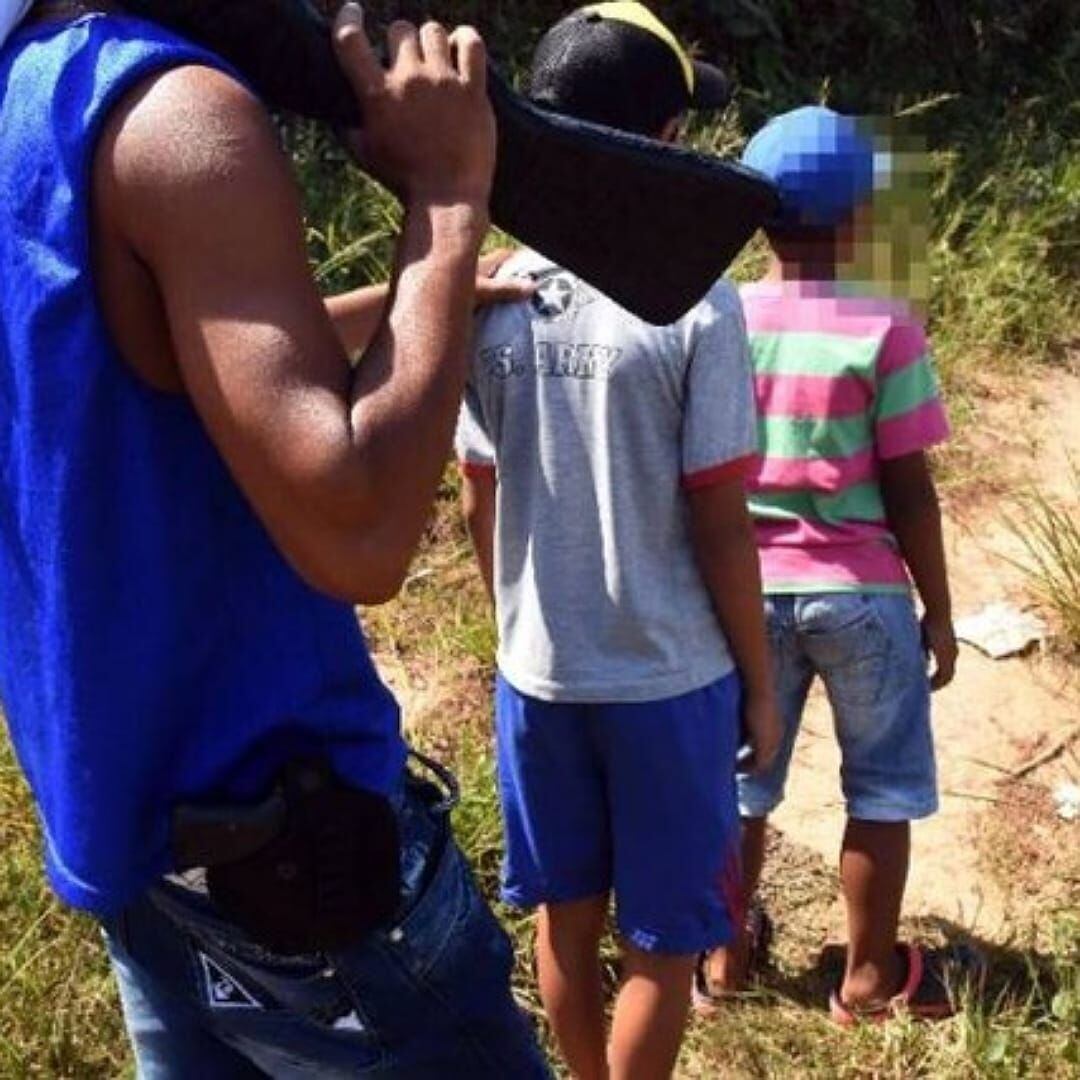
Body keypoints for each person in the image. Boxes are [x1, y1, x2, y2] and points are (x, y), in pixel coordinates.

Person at [0, 1, 552, 1075]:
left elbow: (145, 370)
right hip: (309, 887)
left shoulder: (30, 105)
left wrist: (411, 304)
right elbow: (361, 536)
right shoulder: (178, 121)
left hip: (144, 859)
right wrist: (445, 198)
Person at [456, 5, 782, 1077]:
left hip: (539, 673)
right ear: (668, 145)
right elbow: (720, 519)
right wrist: (761, 683)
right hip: (668, 678)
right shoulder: (697, 299)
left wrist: (520, 620)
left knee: (564, 922)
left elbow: (477, 493)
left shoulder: (490, 287)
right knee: (664, 945)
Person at [699, 106, 961, 1023]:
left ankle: (723, 964)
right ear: (860, 217)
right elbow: (909, 487)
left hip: (744, 593)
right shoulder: (884, 325)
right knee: (881, 790)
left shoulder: (719, 313)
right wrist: (939, 610)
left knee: (740, 786)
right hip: (862, 594)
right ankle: (867, 979)